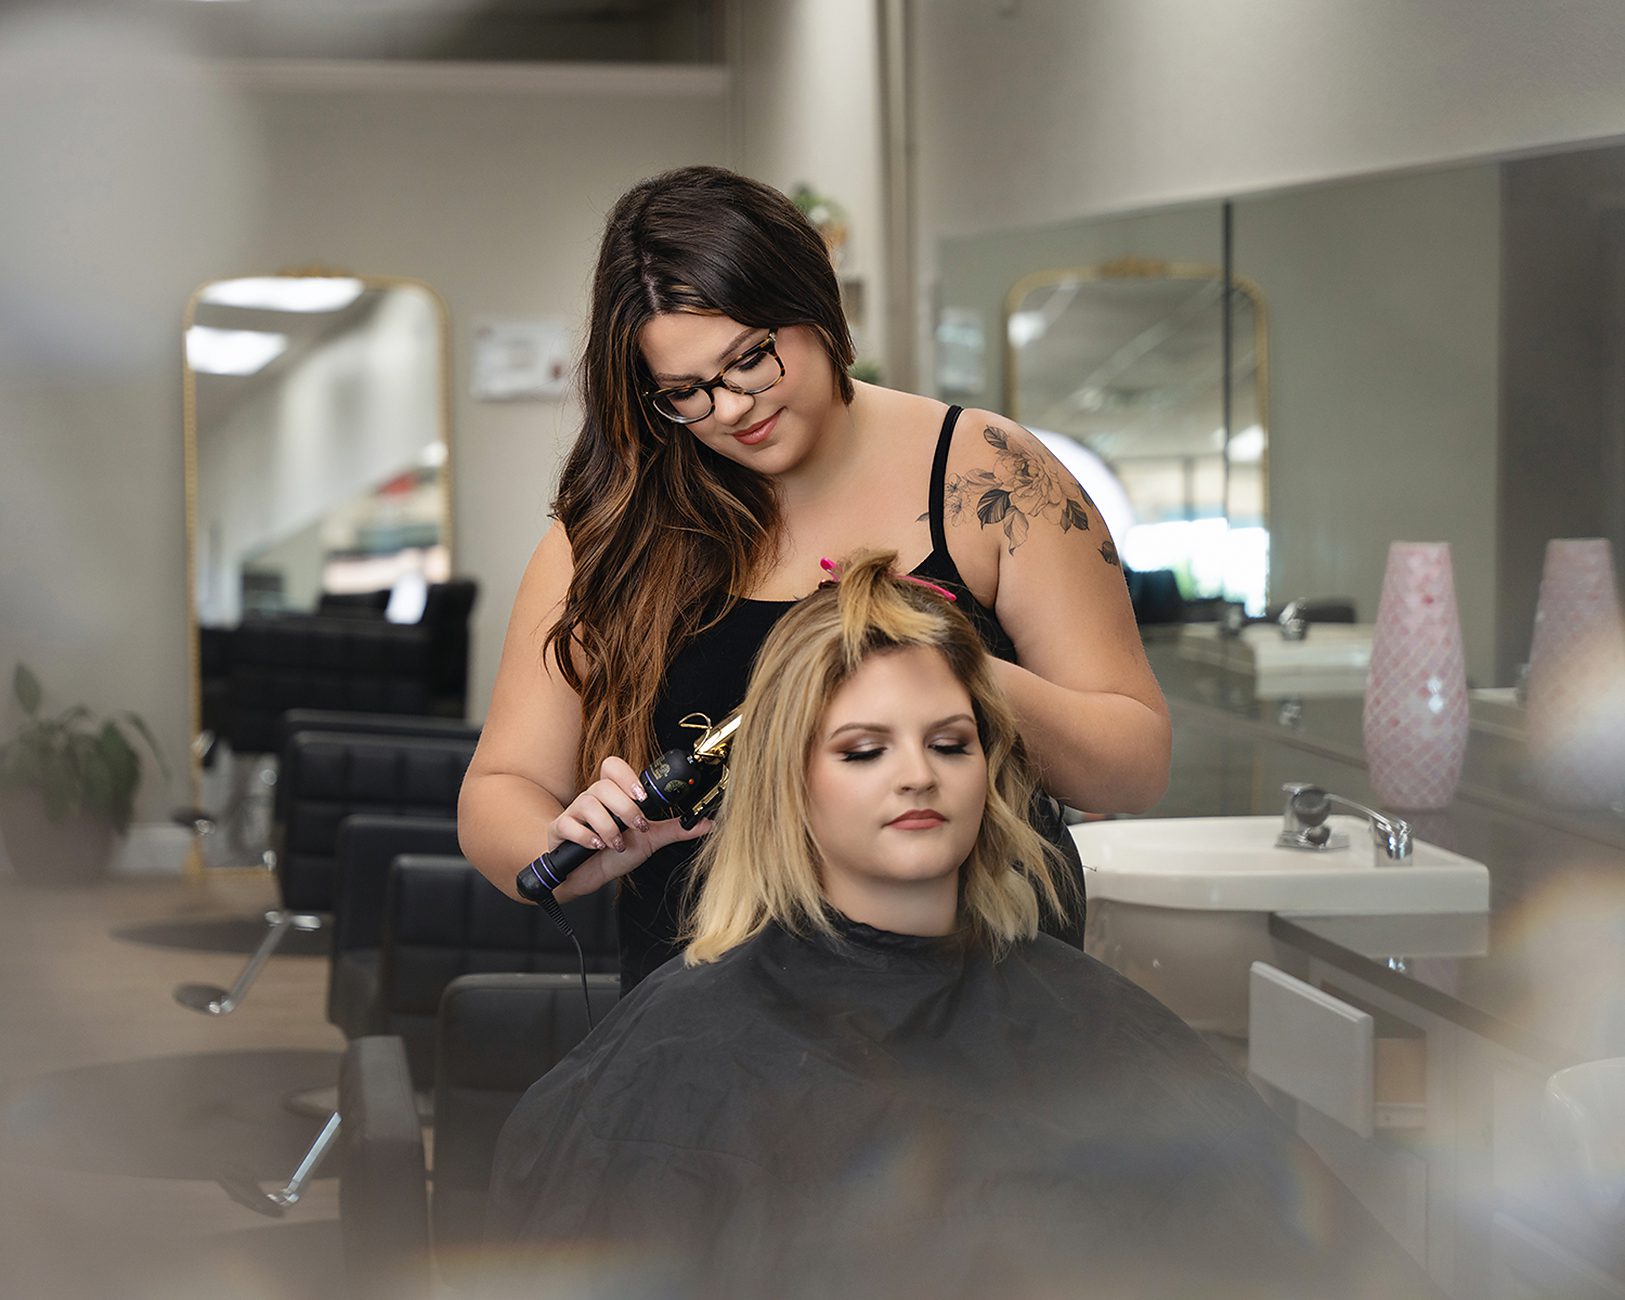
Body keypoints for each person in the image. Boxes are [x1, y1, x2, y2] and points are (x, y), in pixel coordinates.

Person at [481, 554, 1440, 1300]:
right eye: (862, 750)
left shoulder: (1090, 1018)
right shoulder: (686, 1047)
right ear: (789, 785)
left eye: (951, 743)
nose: (918, 775)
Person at [458, 164, 1171, 993]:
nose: (728, 410)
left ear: (817, 305)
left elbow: (1133, 767)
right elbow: (498, 792)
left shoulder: (986, 476)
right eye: (684, 393)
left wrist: (950, 669)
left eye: (749, 361)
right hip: (713, 1014)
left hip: (978, 1004)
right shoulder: (613, 532)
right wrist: (565, 848)